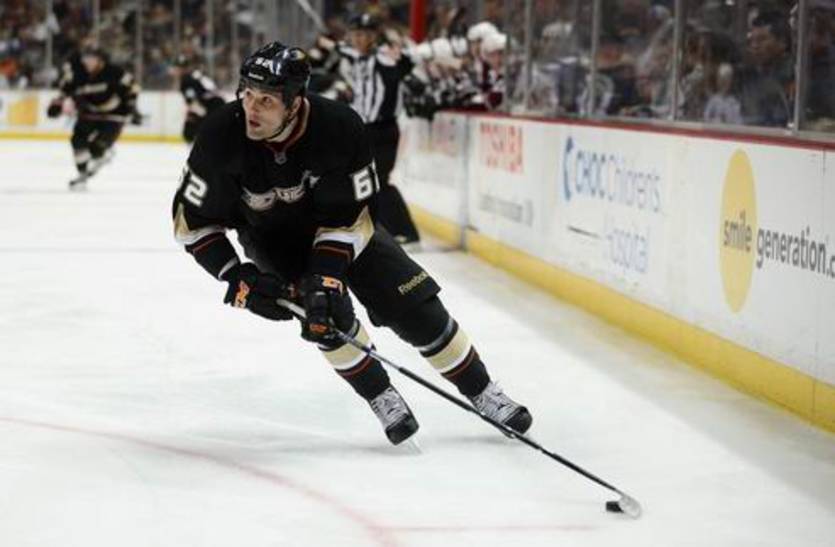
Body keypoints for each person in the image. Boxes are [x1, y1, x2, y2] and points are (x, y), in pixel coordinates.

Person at [171, 42, 532, 445]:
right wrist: (238, 276)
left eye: (267, 100)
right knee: (325, 320)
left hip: (342, 227)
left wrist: (326, 275)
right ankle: (381, 395)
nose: (251, 109)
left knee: (415, 308)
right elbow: (192, 225)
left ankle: (483, 391)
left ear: (294, 103)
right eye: (247, 94)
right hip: (273, 241)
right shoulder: (220, 135)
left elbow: (355, 216)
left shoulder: (340, 127)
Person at [336, 13, 421, 248]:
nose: (360, 39)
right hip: (364, 129)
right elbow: (341, 49)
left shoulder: (383, 56)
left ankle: (407, 232)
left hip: (383, 129)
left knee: (379, 182)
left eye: (365, 34)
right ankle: (385, 229)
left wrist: (400, 56)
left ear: (374, 36)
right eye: (356, 34)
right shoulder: (356, 57)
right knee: (365, 181)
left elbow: (406, 63)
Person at [46, 44, 141, 189]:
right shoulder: (77, 73)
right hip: (89, 112)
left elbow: (133, 87)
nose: (87, 62)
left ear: (100, 60)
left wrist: (132, 107)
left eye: (91, 58)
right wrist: (56, 105)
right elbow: (65, 90)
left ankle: (102, 154)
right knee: (77, 141)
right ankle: (82, 174)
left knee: (97, 148)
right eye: (85, 58)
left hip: (114, 114)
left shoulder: (114, 72)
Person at [171, 53, 226, 144]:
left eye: (177, 68)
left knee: (189, 131)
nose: (175, 71)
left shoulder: (186, 80)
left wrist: (192, 113)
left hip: (213, 106)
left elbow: (194, 101)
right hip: (217, 104)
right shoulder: (195, 74)